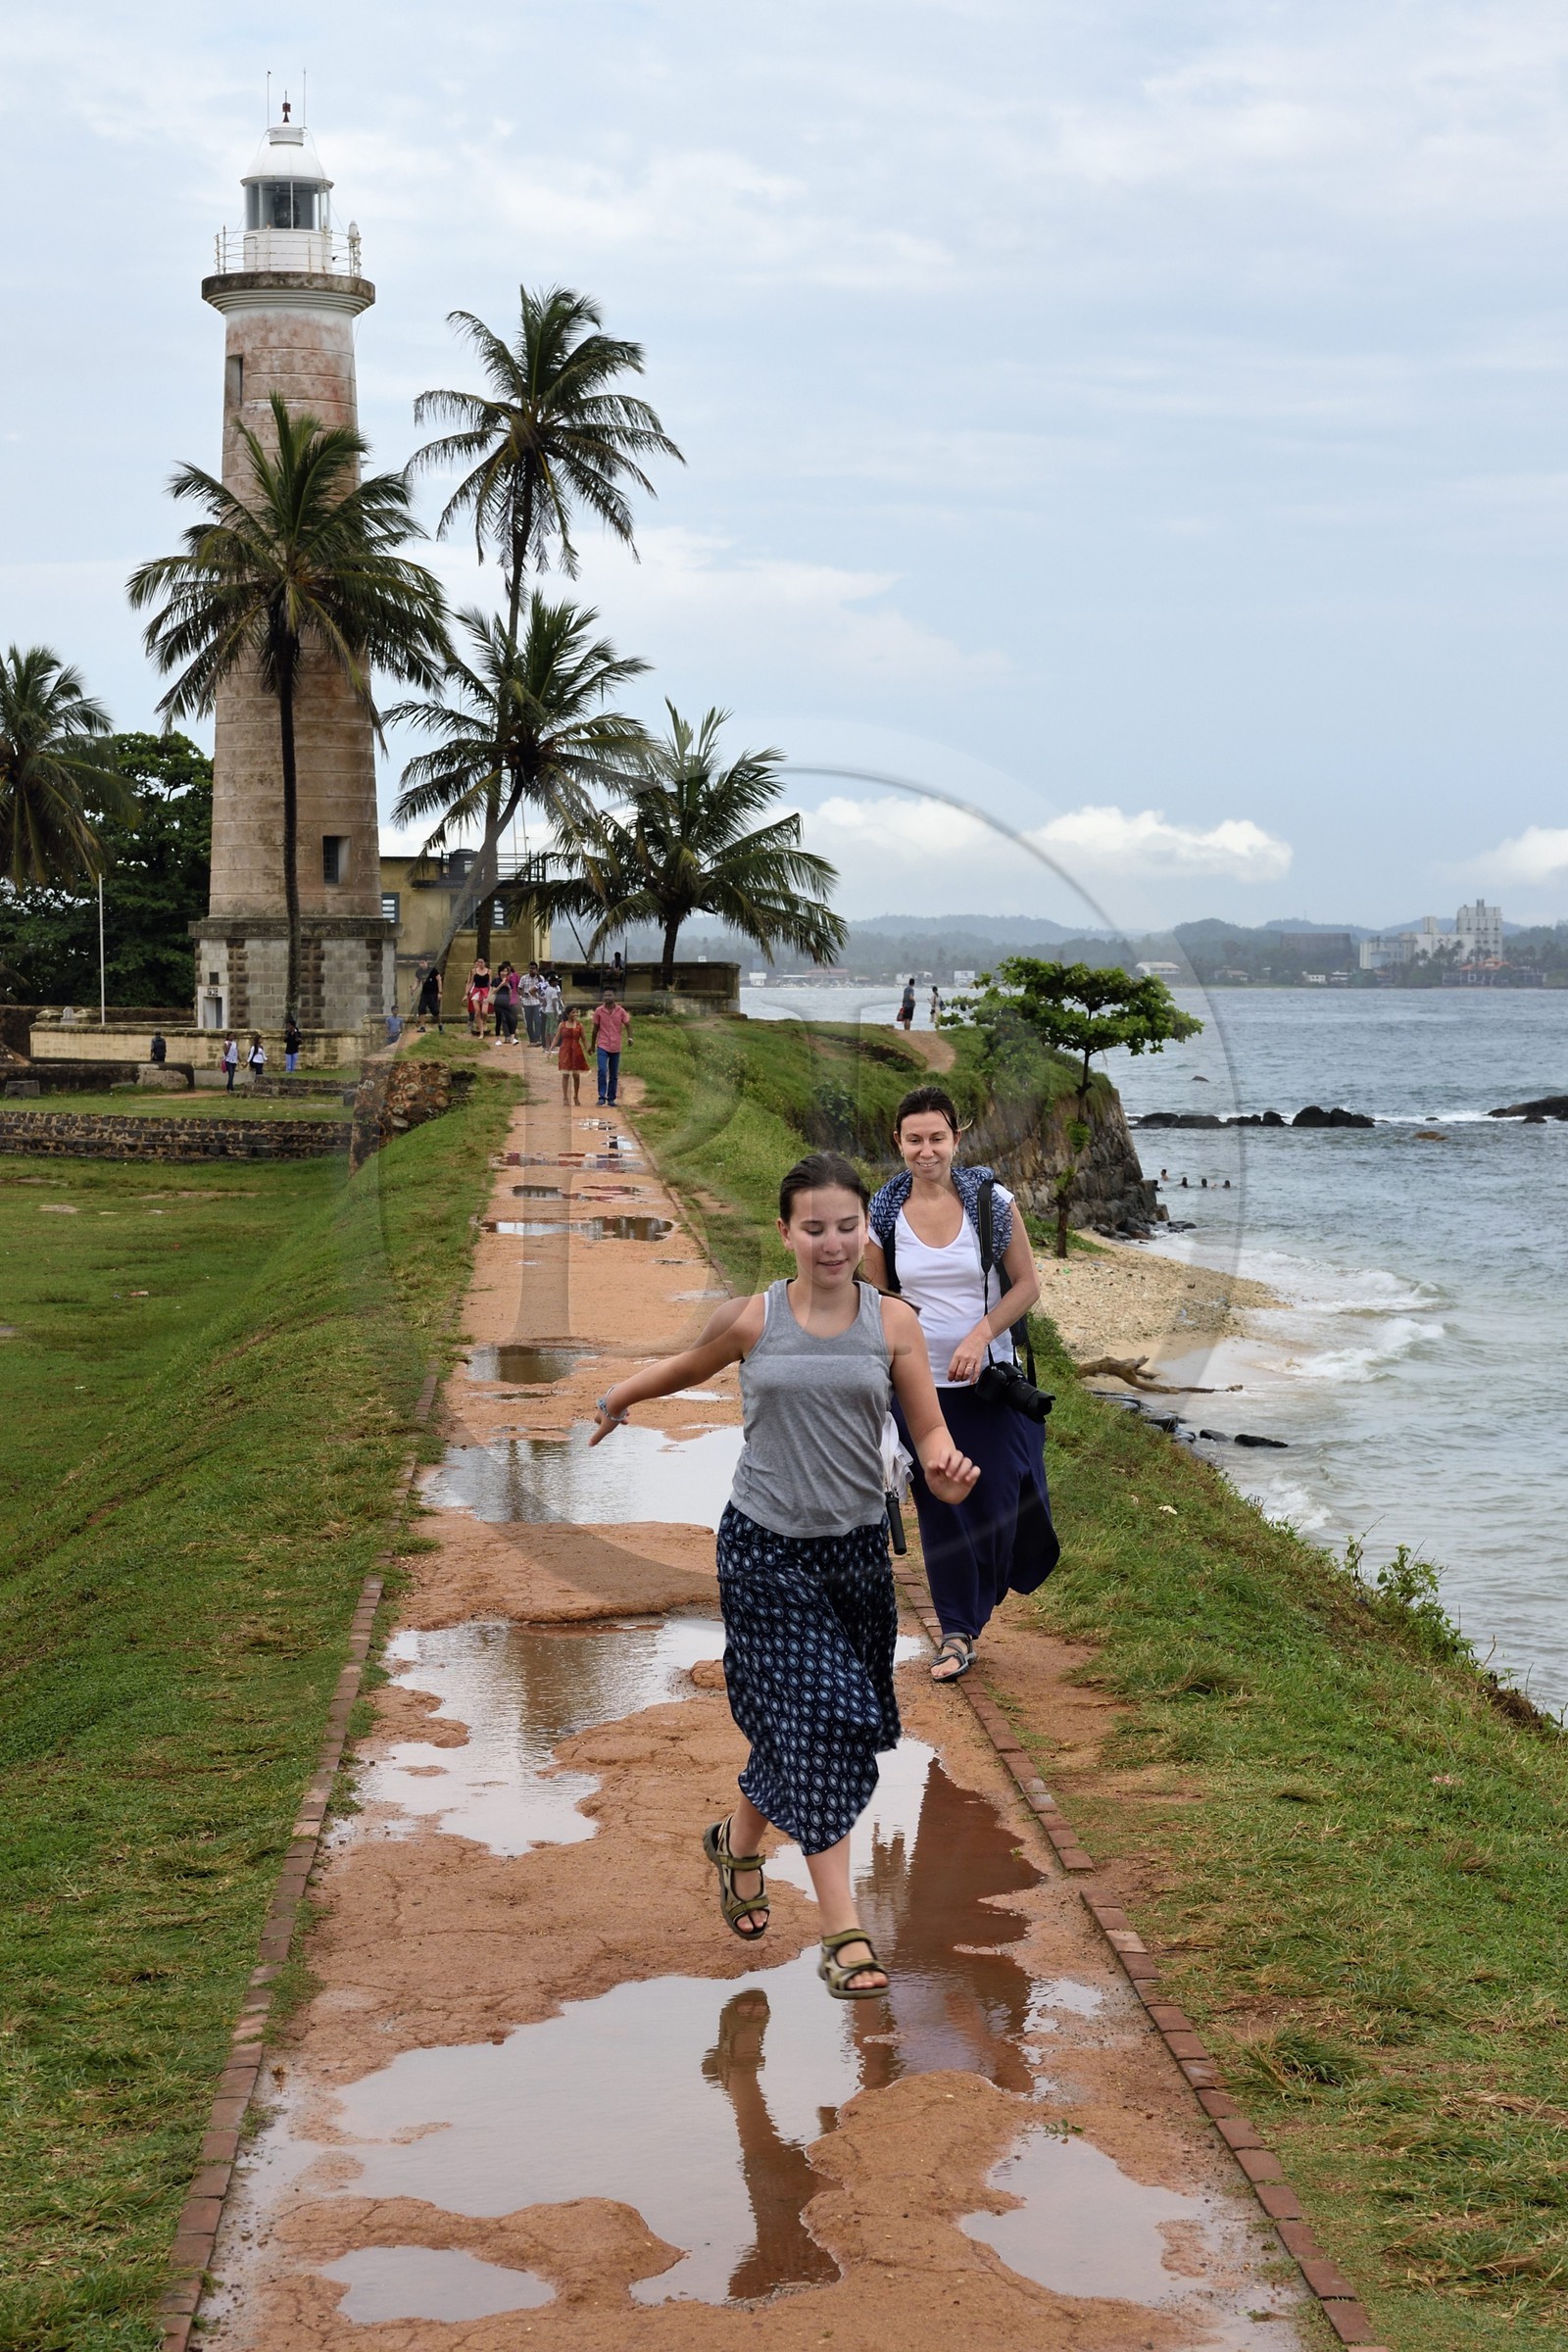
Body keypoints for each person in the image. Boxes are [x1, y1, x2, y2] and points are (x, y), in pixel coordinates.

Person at [591, 1151, 980, 1999]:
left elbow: (929, 1430)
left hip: (853, 1557)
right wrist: (620, 1395)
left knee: (823, 1723)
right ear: (786, 1233)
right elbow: (688, 1368)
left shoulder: (895, 1324)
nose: (833, 1243)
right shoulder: (753, 1320)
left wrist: (948, 1468)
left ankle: (735, 1848)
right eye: (815, 1228)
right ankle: (843, 1932)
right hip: (764, 1551)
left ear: (861, 1233)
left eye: (847, 1227)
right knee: (819, 1724)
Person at [864, 1086, 1057, 1683]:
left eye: (937, 1138)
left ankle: (975, 1604)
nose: (927, 1151)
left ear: (956, 1139)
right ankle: (956, 1632)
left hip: (990, 1383)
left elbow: (1026, 1284)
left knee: (999, 1506)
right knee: (943, 1514)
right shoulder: (883, 1211)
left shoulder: (990, 1201)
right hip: (919, 1389)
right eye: (914, 1139)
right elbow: (876, 1297)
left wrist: (979, 1336)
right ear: (898, 1142)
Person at [591, 988, 631, 1105]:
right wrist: (592, 1046)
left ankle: (611, 1098)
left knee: (613, 1073)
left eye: (610, 995)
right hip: (602, 1045)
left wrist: (630, 1038)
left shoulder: (621, 1011)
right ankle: (601, 1096)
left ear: (615, 997)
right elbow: (595, 1030)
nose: (607, 997)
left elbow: (628, 1024)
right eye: (605, 995)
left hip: (615, 1046)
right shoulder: (599, 1011)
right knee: (602, 1070)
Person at [556, 1003, 588, 1104]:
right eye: (573, 1012)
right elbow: (556, 1038)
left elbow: (584, 1039)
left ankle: (576, 1097)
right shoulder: (562, 1025)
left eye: (576, 1012)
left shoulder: (580, 1026)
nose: (575, 1014)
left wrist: (588, 1049)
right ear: (568, 1014)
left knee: (576, 1076)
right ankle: (565, 1097)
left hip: (576, 1052)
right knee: (565, 1075)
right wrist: (550, 1049)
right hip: (565, 1052)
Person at [492, 962, 518, 1044]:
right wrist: (501, 985)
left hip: (506, 1002)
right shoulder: (496, 980)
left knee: (510, 1019)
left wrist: (508, 987)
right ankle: (497, 1039)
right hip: (498, 1002)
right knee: (499, 1020)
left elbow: (510, 995)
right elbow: (494, 991)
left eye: (505, 971)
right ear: (499, 972)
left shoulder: (508, 981)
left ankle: (512, 1038)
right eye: (502, 971)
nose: (504, 973)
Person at [466, 956, 491, 1036]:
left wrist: (491, 993)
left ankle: (483, 1022)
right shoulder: (474, 971)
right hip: (476, 991)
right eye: (478, 962)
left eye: (481, 962)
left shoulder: (489, 971)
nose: (480, 964)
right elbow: (471, 982)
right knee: (477, 1012)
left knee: (484, 1012)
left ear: (485, 963)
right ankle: (481, 1032)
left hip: (485, 991)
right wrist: (467, 993)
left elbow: (489, 984)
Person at [521, 960, 545, 1046]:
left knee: (537, 1020)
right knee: (529, 1022)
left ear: (536, 969)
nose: (531, 970)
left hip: (537, 1001)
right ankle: (532, 1039)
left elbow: (543, 987)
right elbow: (520, 988)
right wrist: (523, 995)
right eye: (530, 968)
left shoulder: (540, 978)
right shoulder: (524, 978)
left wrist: (537, 975)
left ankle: (538, 1038)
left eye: (533, 968)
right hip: (527, 1002)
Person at [416, 963, 443, 1033]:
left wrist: (440, 992)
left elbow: (439, 979)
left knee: (435, 1011)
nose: (421, 965)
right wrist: (413, 989)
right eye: (420, 963)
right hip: (424, 994)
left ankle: (440, 1025)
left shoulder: (432, 970)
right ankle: (422, 1027)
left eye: (423, 963)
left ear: (426, 962)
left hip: (433, 993)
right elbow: (417, 981)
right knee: (421, 1008)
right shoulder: (419, 971)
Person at [541, 969, 563, 1049]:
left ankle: (547, 1046)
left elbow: (544, 1001)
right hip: (552, 1011)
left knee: (547, 1029)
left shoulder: (547, 989)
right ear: (552, 982)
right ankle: (553, 1047)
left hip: (547, 1010)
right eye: (556, 981)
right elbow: (554, 1003)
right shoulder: (554, 990)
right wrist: (557, 1013)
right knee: (553, 1029)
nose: (557, 983)